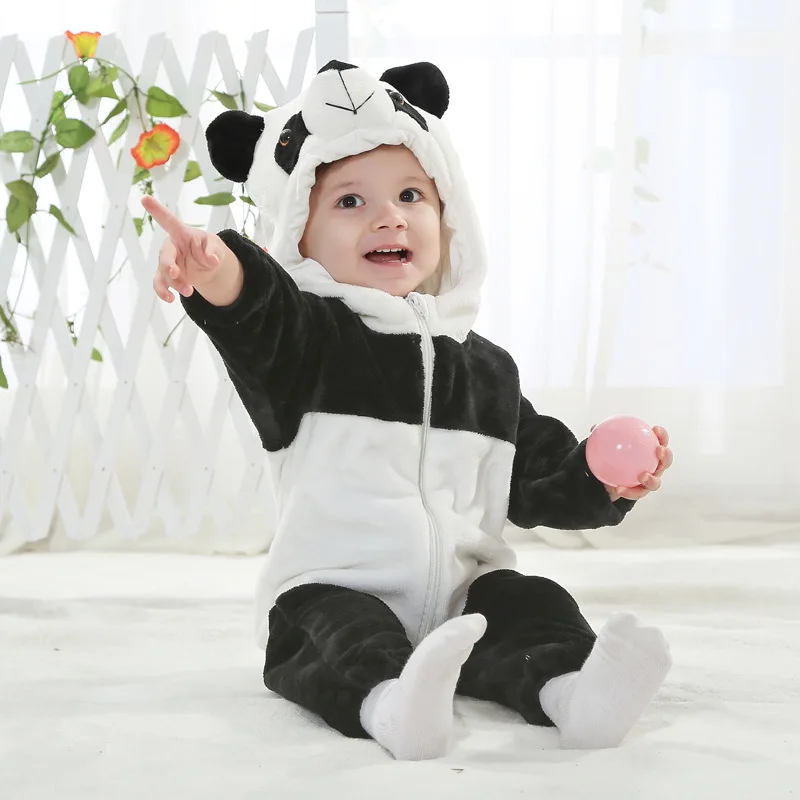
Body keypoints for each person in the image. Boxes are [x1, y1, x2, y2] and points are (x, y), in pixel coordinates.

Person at [144, 60, 674, 762]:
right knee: (335, 632)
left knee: (534, 601)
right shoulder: (308, 344)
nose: (388, 215)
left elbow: (538, 479)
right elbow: (257, 310)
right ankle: (392, 705)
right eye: (349, 201)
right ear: (300, 234)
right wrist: (218, 270)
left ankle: (573, 693)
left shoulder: (486, 370)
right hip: (333, 587)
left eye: (410, 194)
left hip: (464, 598)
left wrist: (601, 478)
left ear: (449, 217)